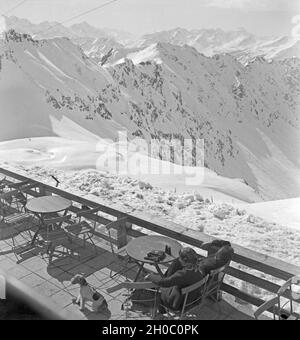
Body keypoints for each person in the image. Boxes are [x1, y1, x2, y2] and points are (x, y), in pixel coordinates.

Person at [146, 241, 234, 312]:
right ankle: (168, 277)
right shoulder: (218, 261)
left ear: (185, 262)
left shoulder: (183, 274)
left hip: (177, 303)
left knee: (159, 286)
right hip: (195, 296)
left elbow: (164, 283)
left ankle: (161, 308)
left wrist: (150, 276)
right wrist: (213, 243)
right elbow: (228, 246)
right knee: (176, 263)